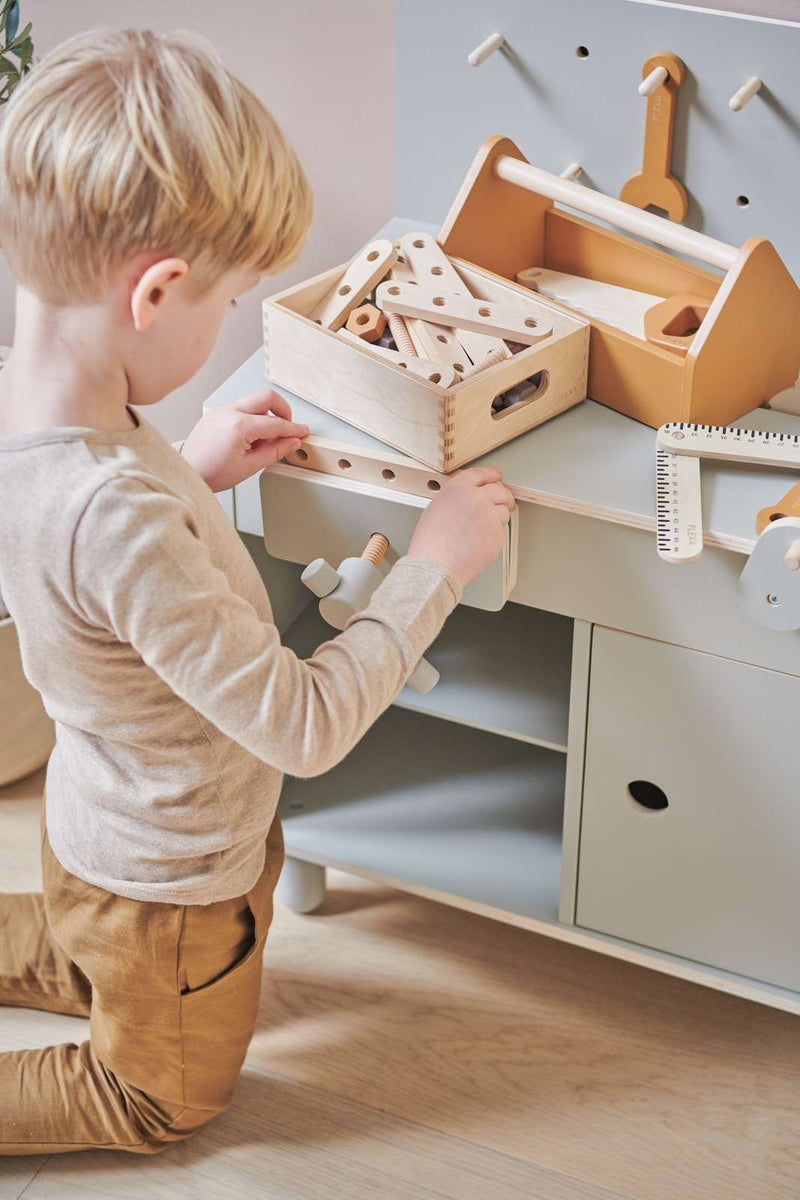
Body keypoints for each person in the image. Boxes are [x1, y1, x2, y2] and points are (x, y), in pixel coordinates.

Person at [0, 28, 515, 1154]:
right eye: (229, 304)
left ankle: (73, 957)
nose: (227, 325)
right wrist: (437, 562)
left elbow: (94, 561)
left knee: (87, 944)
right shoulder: (116, 513)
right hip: (171, 880)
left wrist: (185, 461)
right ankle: (98, 985)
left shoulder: (40, 418)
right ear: (158, 291)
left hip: (97, 828)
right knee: (155, 1095)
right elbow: (305, 725)